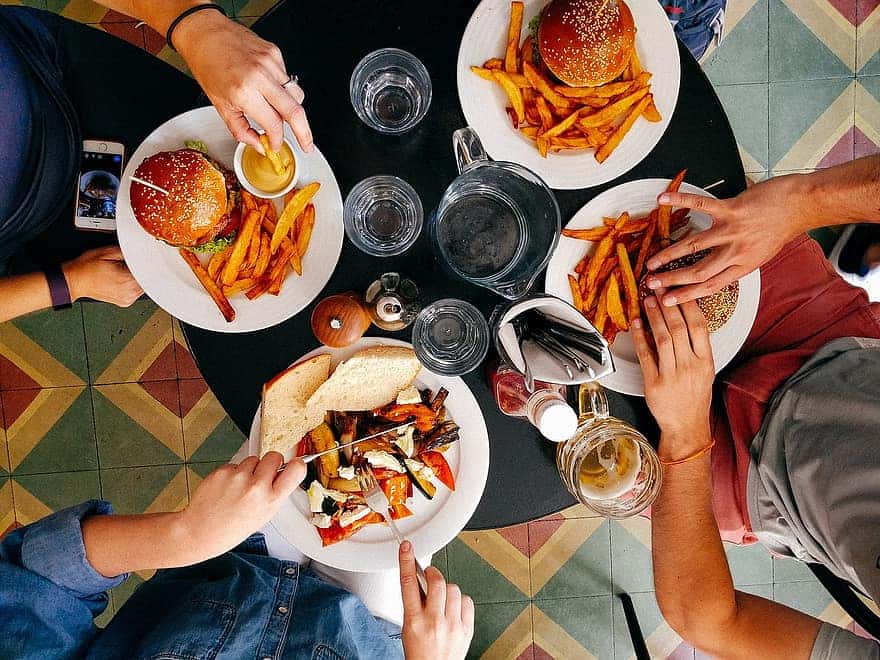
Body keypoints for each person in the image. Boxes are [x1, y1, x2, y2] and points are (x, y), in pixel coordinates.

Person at [0, 1, 313, 323]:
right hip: (38, 226)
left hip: (48, 62)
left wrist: (197, 27)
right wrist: (68, 284)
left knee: (197, 105)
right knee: (148, 270)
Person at [0, 452, 474, 659]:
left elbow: (35, 578)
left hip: (230, 555)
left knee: (303, 424)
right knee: (416, 499)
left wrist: (184, 535)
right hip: (373, 625)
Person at [632, 299, 879, 658]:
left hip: (756, 485)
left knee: (558, 414)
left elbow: (712, 622)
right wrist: (780, 237)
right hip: (837, 337)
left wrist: (685, 435)